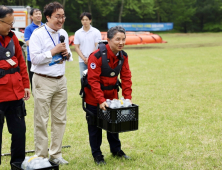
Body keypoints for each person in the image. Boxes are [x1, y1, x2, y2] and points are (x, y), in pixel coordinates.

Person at [29, 2, 73, 165]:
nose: (61, 19)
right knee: (41, 119)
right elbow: (34, 59)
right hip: (43, 80)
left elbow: (67, 56)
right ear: (48, 17)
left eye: (63, 16)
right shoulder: (38, 34)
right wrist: (52, 52)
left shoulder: (63, 33)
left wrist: (66, 54)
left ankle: (56, 155)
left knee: (60, 119)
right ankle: (41, 156)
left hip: (60, 81)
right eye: (57, 16)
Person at [84, 26, 132, 165]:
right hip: (94, 98)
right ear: (109, 39)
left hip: (112, 97)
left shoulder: (123, 56)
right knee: (95, 128)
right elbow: (93, 81)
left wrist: (127, 97)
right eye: (117, 39)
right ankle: (97, 155)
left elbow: (126, 77)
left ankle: (116, 150)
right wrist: (100, 100)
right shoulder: (96, 56)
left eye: (123, 39)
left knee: (114, 126)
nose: (121, 42)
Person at [0, 5, 30, 168]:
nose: (11, 26)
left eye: (13, 23)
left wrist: (26, 85)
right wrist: (8, 63)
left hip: (16, 94)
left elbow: (21, 62)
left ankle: (18, 164)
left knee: (19, 134)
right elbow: (12, 62)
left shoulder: (13, 39)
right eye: (8, 23)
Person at [74, 12, 101, 77]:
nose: (84, 21)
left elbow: (97, 46)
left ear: (90, 20)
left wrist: (90, 58)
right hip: (82, 60)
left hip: (94, 60)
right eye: (83, 20)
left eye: (86, 19)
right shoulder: (77, 33)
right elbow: (76, 47)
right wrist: (84, 58)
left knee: (94, 79)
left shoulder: (96, 32)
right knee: (83, 80)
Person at [24, 8, 43, 90]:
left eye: (39, 13)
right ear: (31, 16)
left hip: (44, 57)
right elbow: (28, 43)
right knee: (34, 79)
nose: (38, 15)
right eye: (36, 14)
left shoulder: (46, 26)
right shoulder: (28, 28)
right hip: (32, 58)